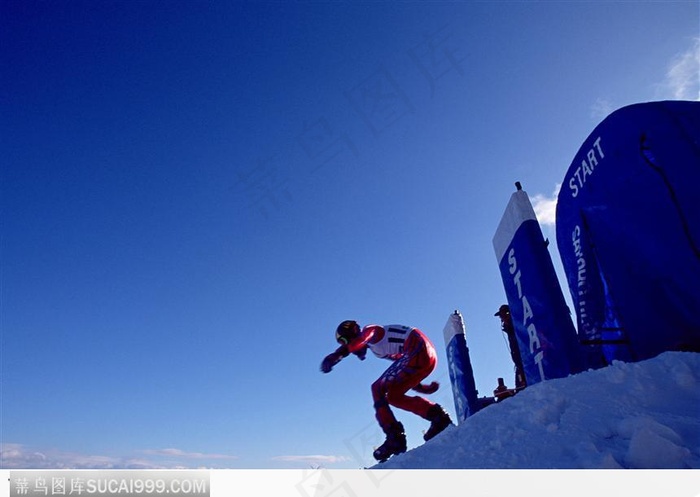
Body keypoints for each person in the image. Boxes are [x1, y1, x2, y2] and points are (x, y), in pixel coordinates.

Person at [320, 320, 453, 462]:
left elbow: (361, 340)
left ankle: (394, 437)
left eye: (345, 341)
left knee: (377, 388)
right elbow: (402, 368)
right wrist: (421, 387)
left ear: (352, 334)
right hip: (423, 356)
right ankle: (437, 417)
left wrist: (336, 355)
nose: (347, 345)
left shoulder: (372, 330)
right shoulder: (378, 349)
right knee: (394, 396)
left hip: (418, 347)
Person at [494, 304, 527, 389]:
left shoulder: (518, 327)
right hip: (519, 365)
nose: (502, 318)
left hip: (526, 363)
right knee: (520, 389)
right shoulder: (509, 330)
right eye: (501, 316)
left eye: (504, 315)